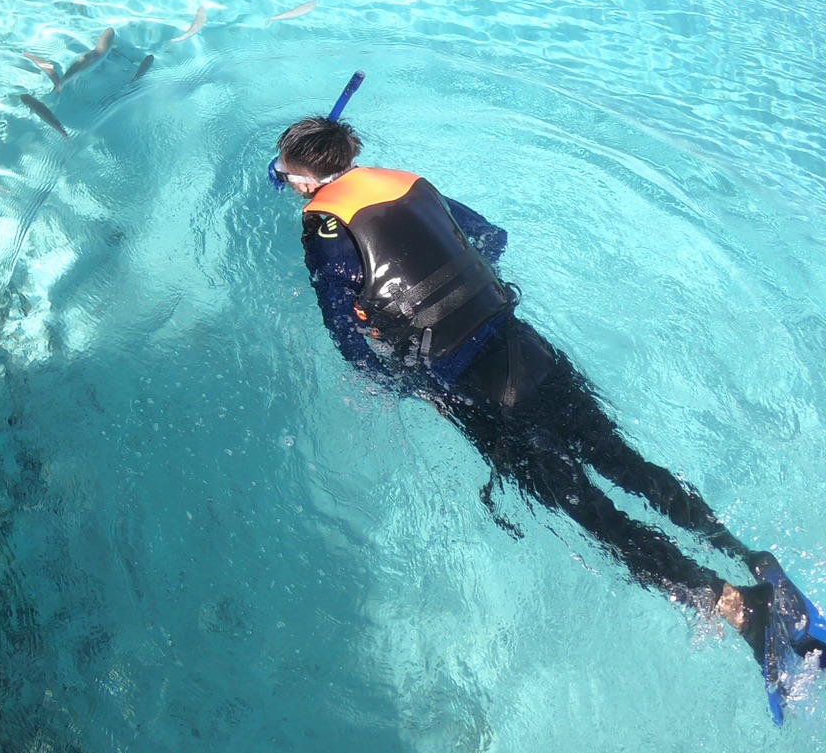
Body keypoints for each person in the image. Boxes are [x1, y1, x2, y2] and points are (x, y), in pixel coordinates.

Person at [273, 112, 826, 720]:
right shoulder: (406, 181)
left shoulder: (323, 227)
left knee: (580, 505)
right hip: (521, 346)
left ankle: (742, 609)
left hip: (469, 384)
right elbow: (490, 238)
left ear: (303, 180)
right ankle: (747, 555)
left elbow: (344, 334)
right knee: (623, 461)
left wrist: (395, 379)